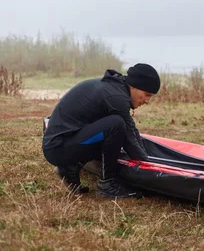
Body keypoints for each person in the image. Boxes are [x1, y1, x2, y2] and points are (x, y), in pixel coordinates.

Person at [42, 63, 160, 198]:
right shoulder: (116, 97)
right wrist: (148, 168)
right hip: (58, 148)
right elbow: (129, 138)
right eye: (147, 94)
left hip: (62, 144)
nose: (147, 101)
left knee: (115, 129)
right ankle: (108, 185)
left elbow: (131, 129)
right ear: (133, 86)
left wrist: (145, 156)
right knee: (115, 125)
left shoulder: (116, 89)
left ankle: (69, 168)